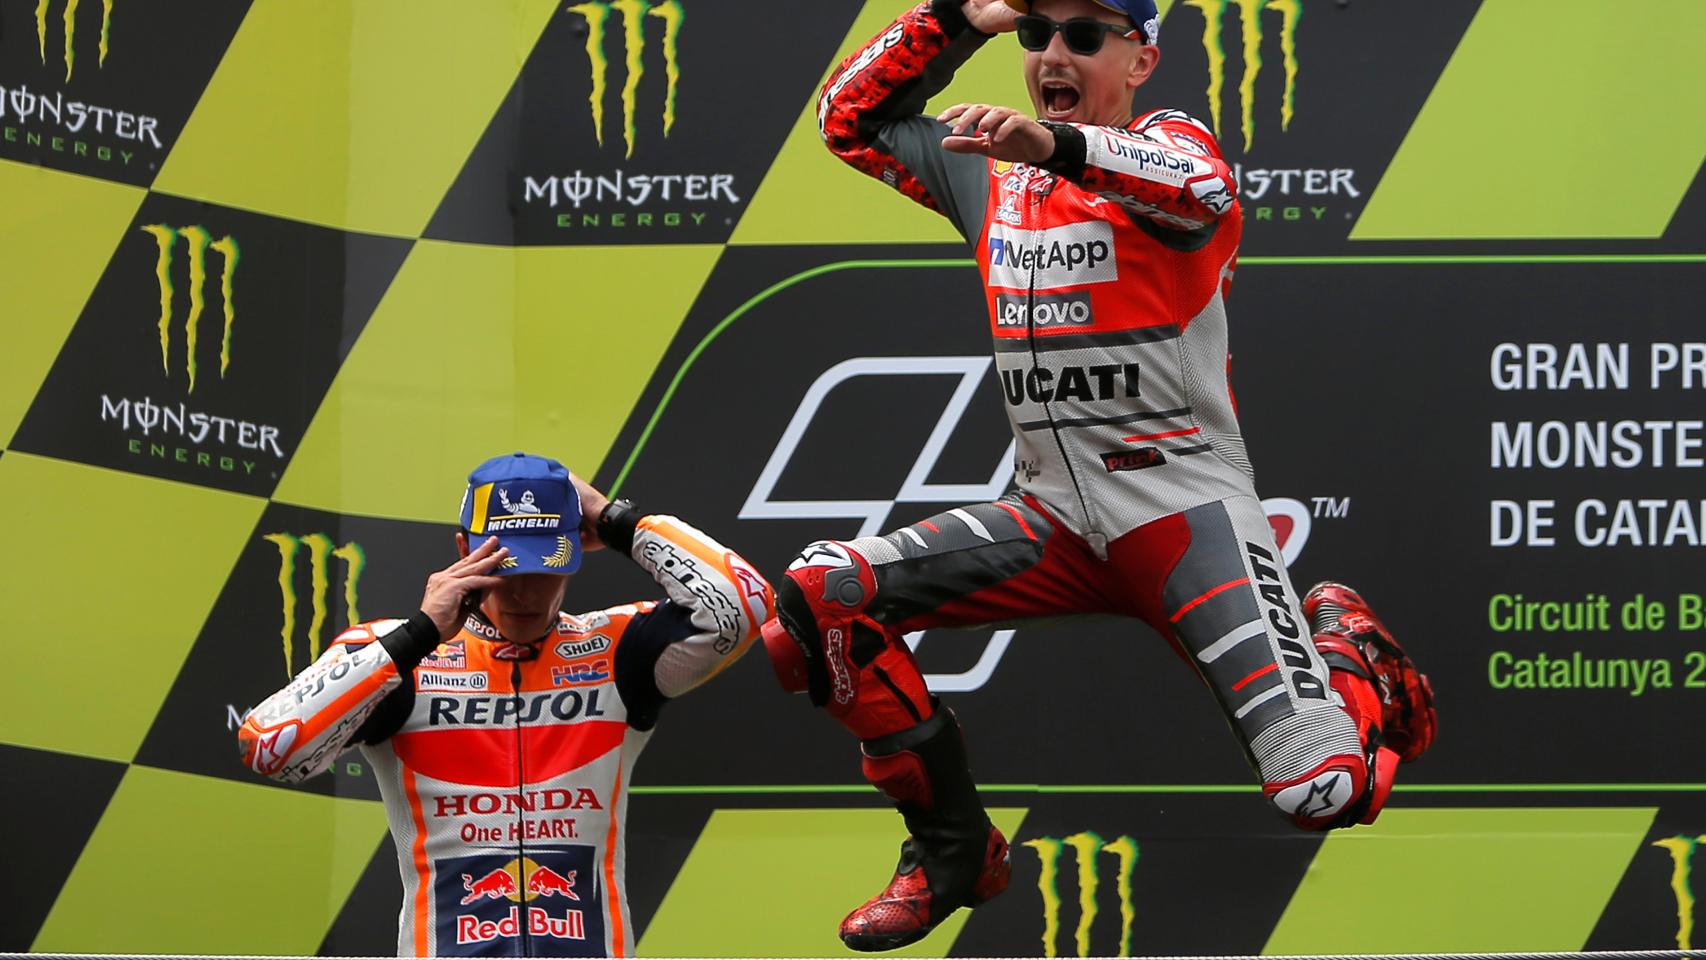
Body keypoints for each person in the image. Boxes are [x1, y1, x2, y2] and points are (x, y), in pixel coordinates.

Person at [758, 0, 1438, 950]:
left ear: (1141, 59)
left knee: (1323, 790)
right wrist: (961, 18)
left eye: (1084, 37)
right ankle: (955, 850)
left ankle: (1348, 651)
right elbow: (848, 119)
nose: (1052, 54)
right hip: (1051, 520)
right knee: (817, 604)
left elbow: (1196, 189)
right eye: (1038, 34)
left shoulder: (1173, 149)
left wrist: (1052, 146)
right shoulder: (986, 173)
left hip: (1183, 511)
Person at [238, 452, 774, 957]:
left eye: (547, 565)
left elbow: (746, 604)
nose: (528, 593)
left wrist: (617, 521)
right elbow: (270, 747)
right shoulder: (396, 654)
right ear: (462, 551)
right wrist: (419, 633)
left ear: (577, 547)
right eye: (507, 567)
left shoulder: (617, 649)